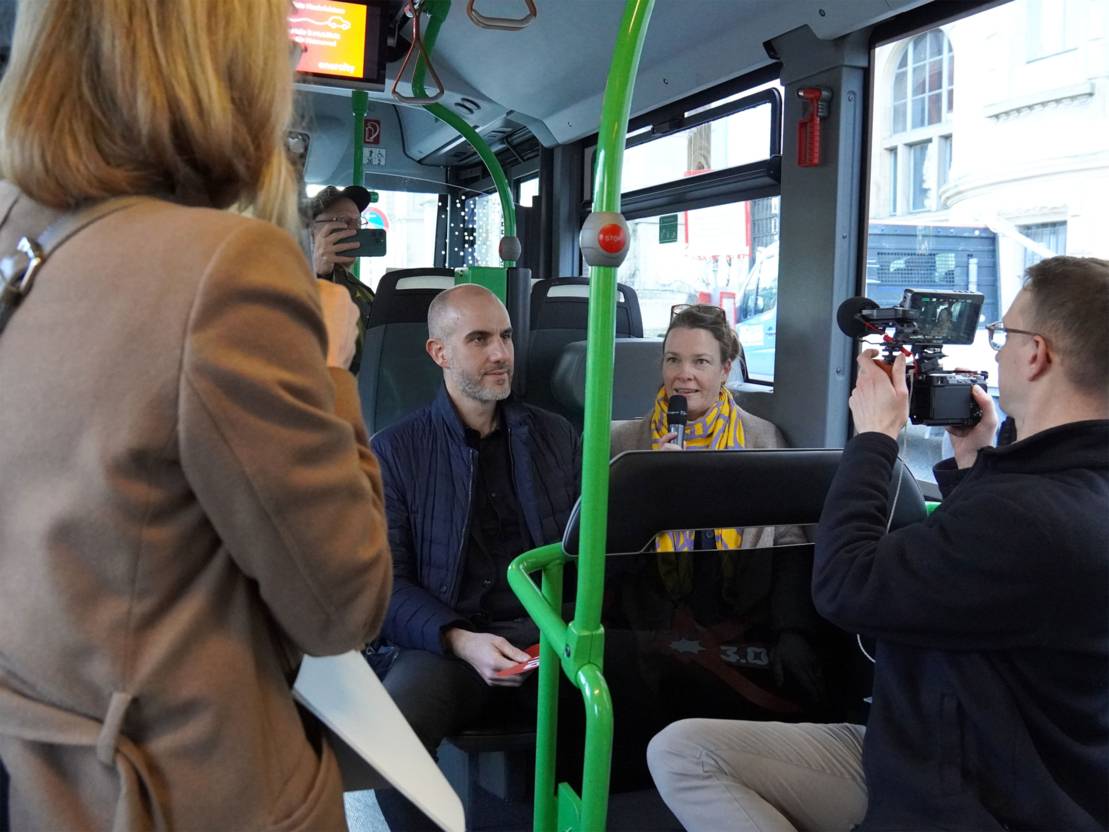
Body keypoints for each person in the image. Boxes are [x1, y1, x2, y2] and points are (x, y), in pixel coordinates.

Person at [0, 2, 392, 829]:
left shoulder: (18, 236)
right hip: (180, 790)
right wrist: (328, 360)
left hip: (46, 775)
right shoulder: (224, 266)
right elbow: (340, 608)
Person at [648, 257, 1109, 831]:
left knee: (681, 756)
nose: (995, 350)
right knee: (685, 748)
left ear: (1036, 354)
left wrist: (873, 439)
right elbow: (977, 583)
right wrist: (970, 460)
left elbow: (845, 585)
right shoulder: (1058, 489)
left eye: (1004, 335)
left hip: (962, 790)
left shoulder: (1025, 511)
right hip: (980, 750)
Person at [370, 283, 580, 830]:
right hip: (450, 641)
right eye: (480, 339)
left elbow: (584, 558)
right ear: (439, 353)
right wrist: (460, 640)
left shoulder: (555, 437)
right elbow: (386, 587)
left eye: (506, 337)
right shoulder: (396, 451)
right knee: (391, 736)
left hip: (547, 636)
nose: (500, 354)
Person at [610, 304, 832, 722]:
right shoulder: (624, 444)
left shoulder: (761, 439)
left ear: (726, 369)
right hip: (652, 623)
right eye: (673, 360)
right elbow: (606, 558)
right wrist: (652, 493)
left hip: (745, 619)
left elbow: (789, 544)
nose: (683, 374)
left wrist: (792, 633)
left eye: (700, 362)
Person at [307, 183, 377, 373]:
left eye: (358, 222)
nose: (355, 230)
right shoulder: (289, 280)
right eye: (343, 221)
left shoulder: (363, 291)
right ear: (312, 230)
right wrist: (320, 272)